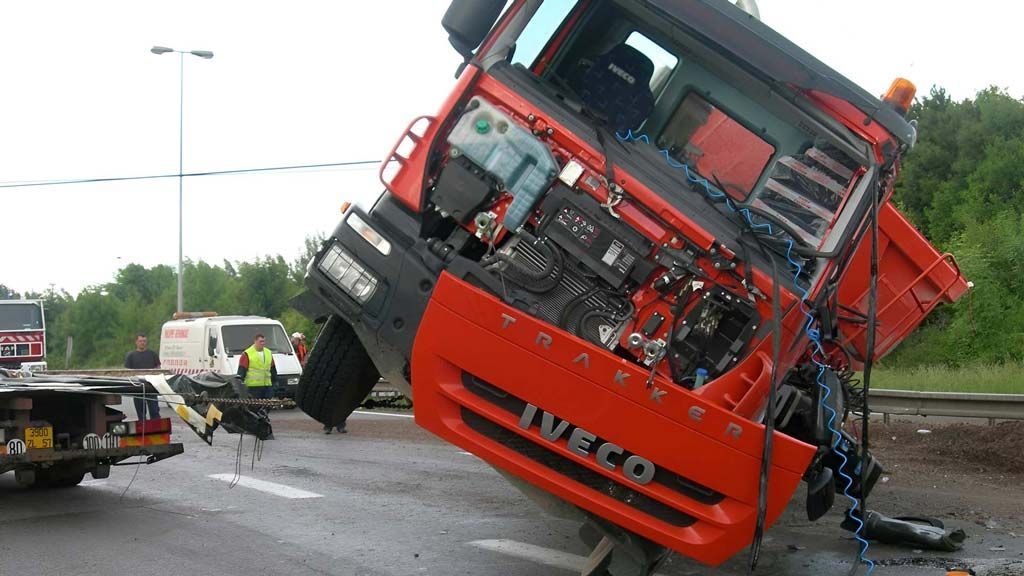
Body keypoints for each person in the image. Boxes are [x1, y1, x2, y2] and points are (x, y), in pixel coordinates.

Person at [237, 333, 277, 439]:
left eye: (264, 341)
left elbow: (272, 369)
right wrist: (240, 384)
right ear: (255, 341)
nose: (262, 344)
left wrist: (275, 382)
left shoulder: (268, 353)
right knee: (255, 409)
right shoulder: (247, 354)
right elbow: (241, 371)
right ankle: (257, 429)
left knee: (265, 407)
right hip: (253, 387)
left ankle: (263, 428)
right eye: (260, 341)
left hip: (266, 385)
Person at [124, 333, 161, 420]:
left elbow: (158, 369)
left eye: (144, 341)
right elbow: (127, 372)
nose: (142, 343)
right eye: (140, 341)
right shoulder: (131, 356)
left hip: (151, 386)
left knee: (154, 411)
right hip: (137, 387)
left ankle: (156, 429)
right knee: (141, 413)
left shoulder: (152, 354)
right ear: (136, 342)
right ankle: (143, 430)